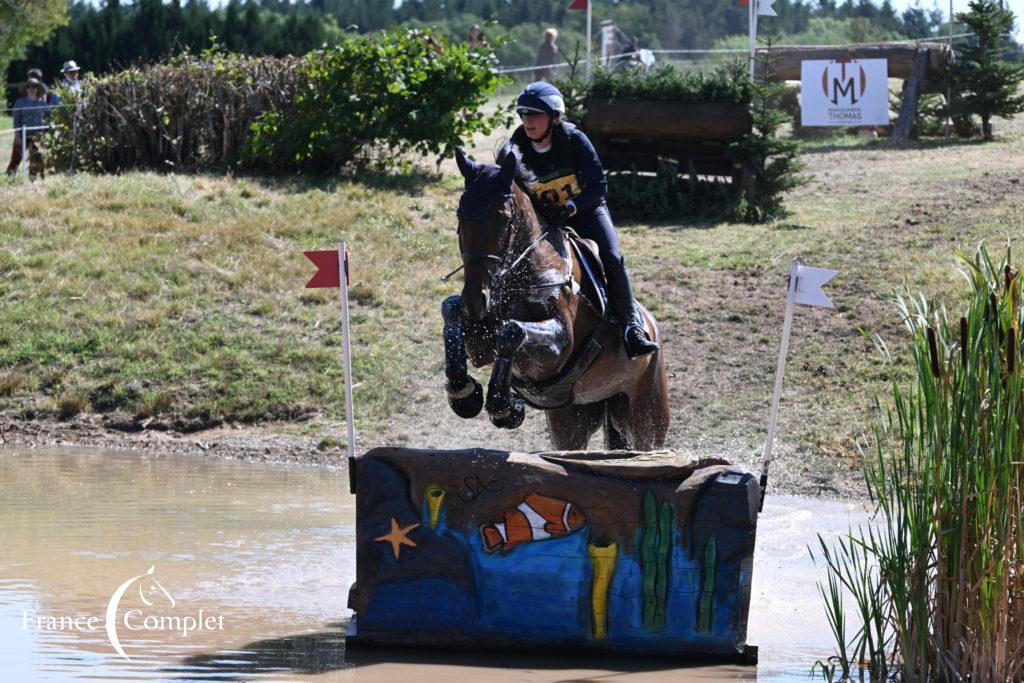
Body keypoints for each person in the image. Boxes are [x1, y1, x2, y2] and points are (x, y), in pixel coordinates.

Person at [497, 82, 659, 359]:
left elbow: (598, 186)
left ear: (554, 117)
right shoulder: (516, 145)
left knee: (612, 256)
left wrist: (570, 207)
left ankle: (632, 326)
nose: (528, 121)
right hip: (546, 220)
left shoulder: (574, 139)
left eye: (535, 114)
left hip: (585, 211)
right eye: (523, 114)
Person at [5, 78, 51, 175]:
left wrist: (45, 132)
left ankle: (32, 178)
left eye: (34, 86)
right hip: (22, 134)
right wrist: (17, 136)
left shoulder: (42, 104)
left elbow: (48, 118)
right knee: (16, 158)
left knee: (35, 158)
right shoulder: (20, 102)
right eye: (29, 86)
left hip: (37, 135)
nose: (31, 88)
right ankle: (10, 175)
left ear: (37, 89)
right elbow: (16, 120)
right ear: (26, 89)